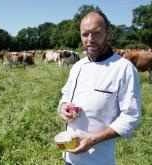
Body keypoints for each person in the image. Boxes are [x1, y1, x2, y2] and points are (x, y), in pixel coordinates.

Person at [57, 11, 141, 165]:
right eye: (85, 34)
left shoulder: (124, 68)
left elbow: (131, 116)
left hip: (98, 159)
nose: (90, 40)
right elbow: (66, 94)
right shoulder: (77, 66)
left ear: (108, 33)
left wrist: (93, 139)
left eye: (96, 33)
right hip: (68, 156)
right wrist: (63, 106)